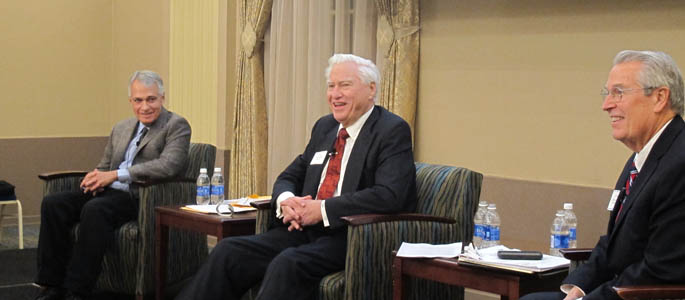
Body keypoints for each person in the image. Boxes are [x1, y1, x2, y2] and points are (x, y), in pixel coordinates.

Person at [176, 54, 417, 300]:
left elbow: (389, 195)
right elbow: (290, 174)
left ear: (371, 89)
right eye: (331, 86)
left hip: (351, 236)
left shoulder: (390, 130)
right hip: (302, 228)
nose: (335, 94)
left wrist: (322, 209)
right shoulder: (325, 127)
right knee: (229, 251)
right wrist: (286, 201)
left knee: (287, 264)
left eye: (345, 85)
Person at [522, 50, 685, 300]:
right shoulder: (643, 156)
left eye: (619, 93)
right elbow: (616, 243)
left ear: (660, 98)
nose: (606, 105)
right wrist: (579, 286)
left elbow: (660, 270)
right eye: (607, 94)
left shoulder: (679, 163)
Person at [34, 70, 191, 300]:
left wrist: (116, 175)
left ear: (162, 98)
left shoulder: (176, 125)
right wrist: (96, 178)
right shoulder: (121, 127)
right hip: (110, 191)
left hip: (141, 196)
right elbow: (105, 165)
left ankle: (77, 290)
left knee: (94, 209)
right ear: (130, 101)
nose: (145, 107)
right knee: (53, 204)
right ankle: (52, 285)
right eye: (138, 100)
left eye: (151, 99)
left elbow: (168, 166)